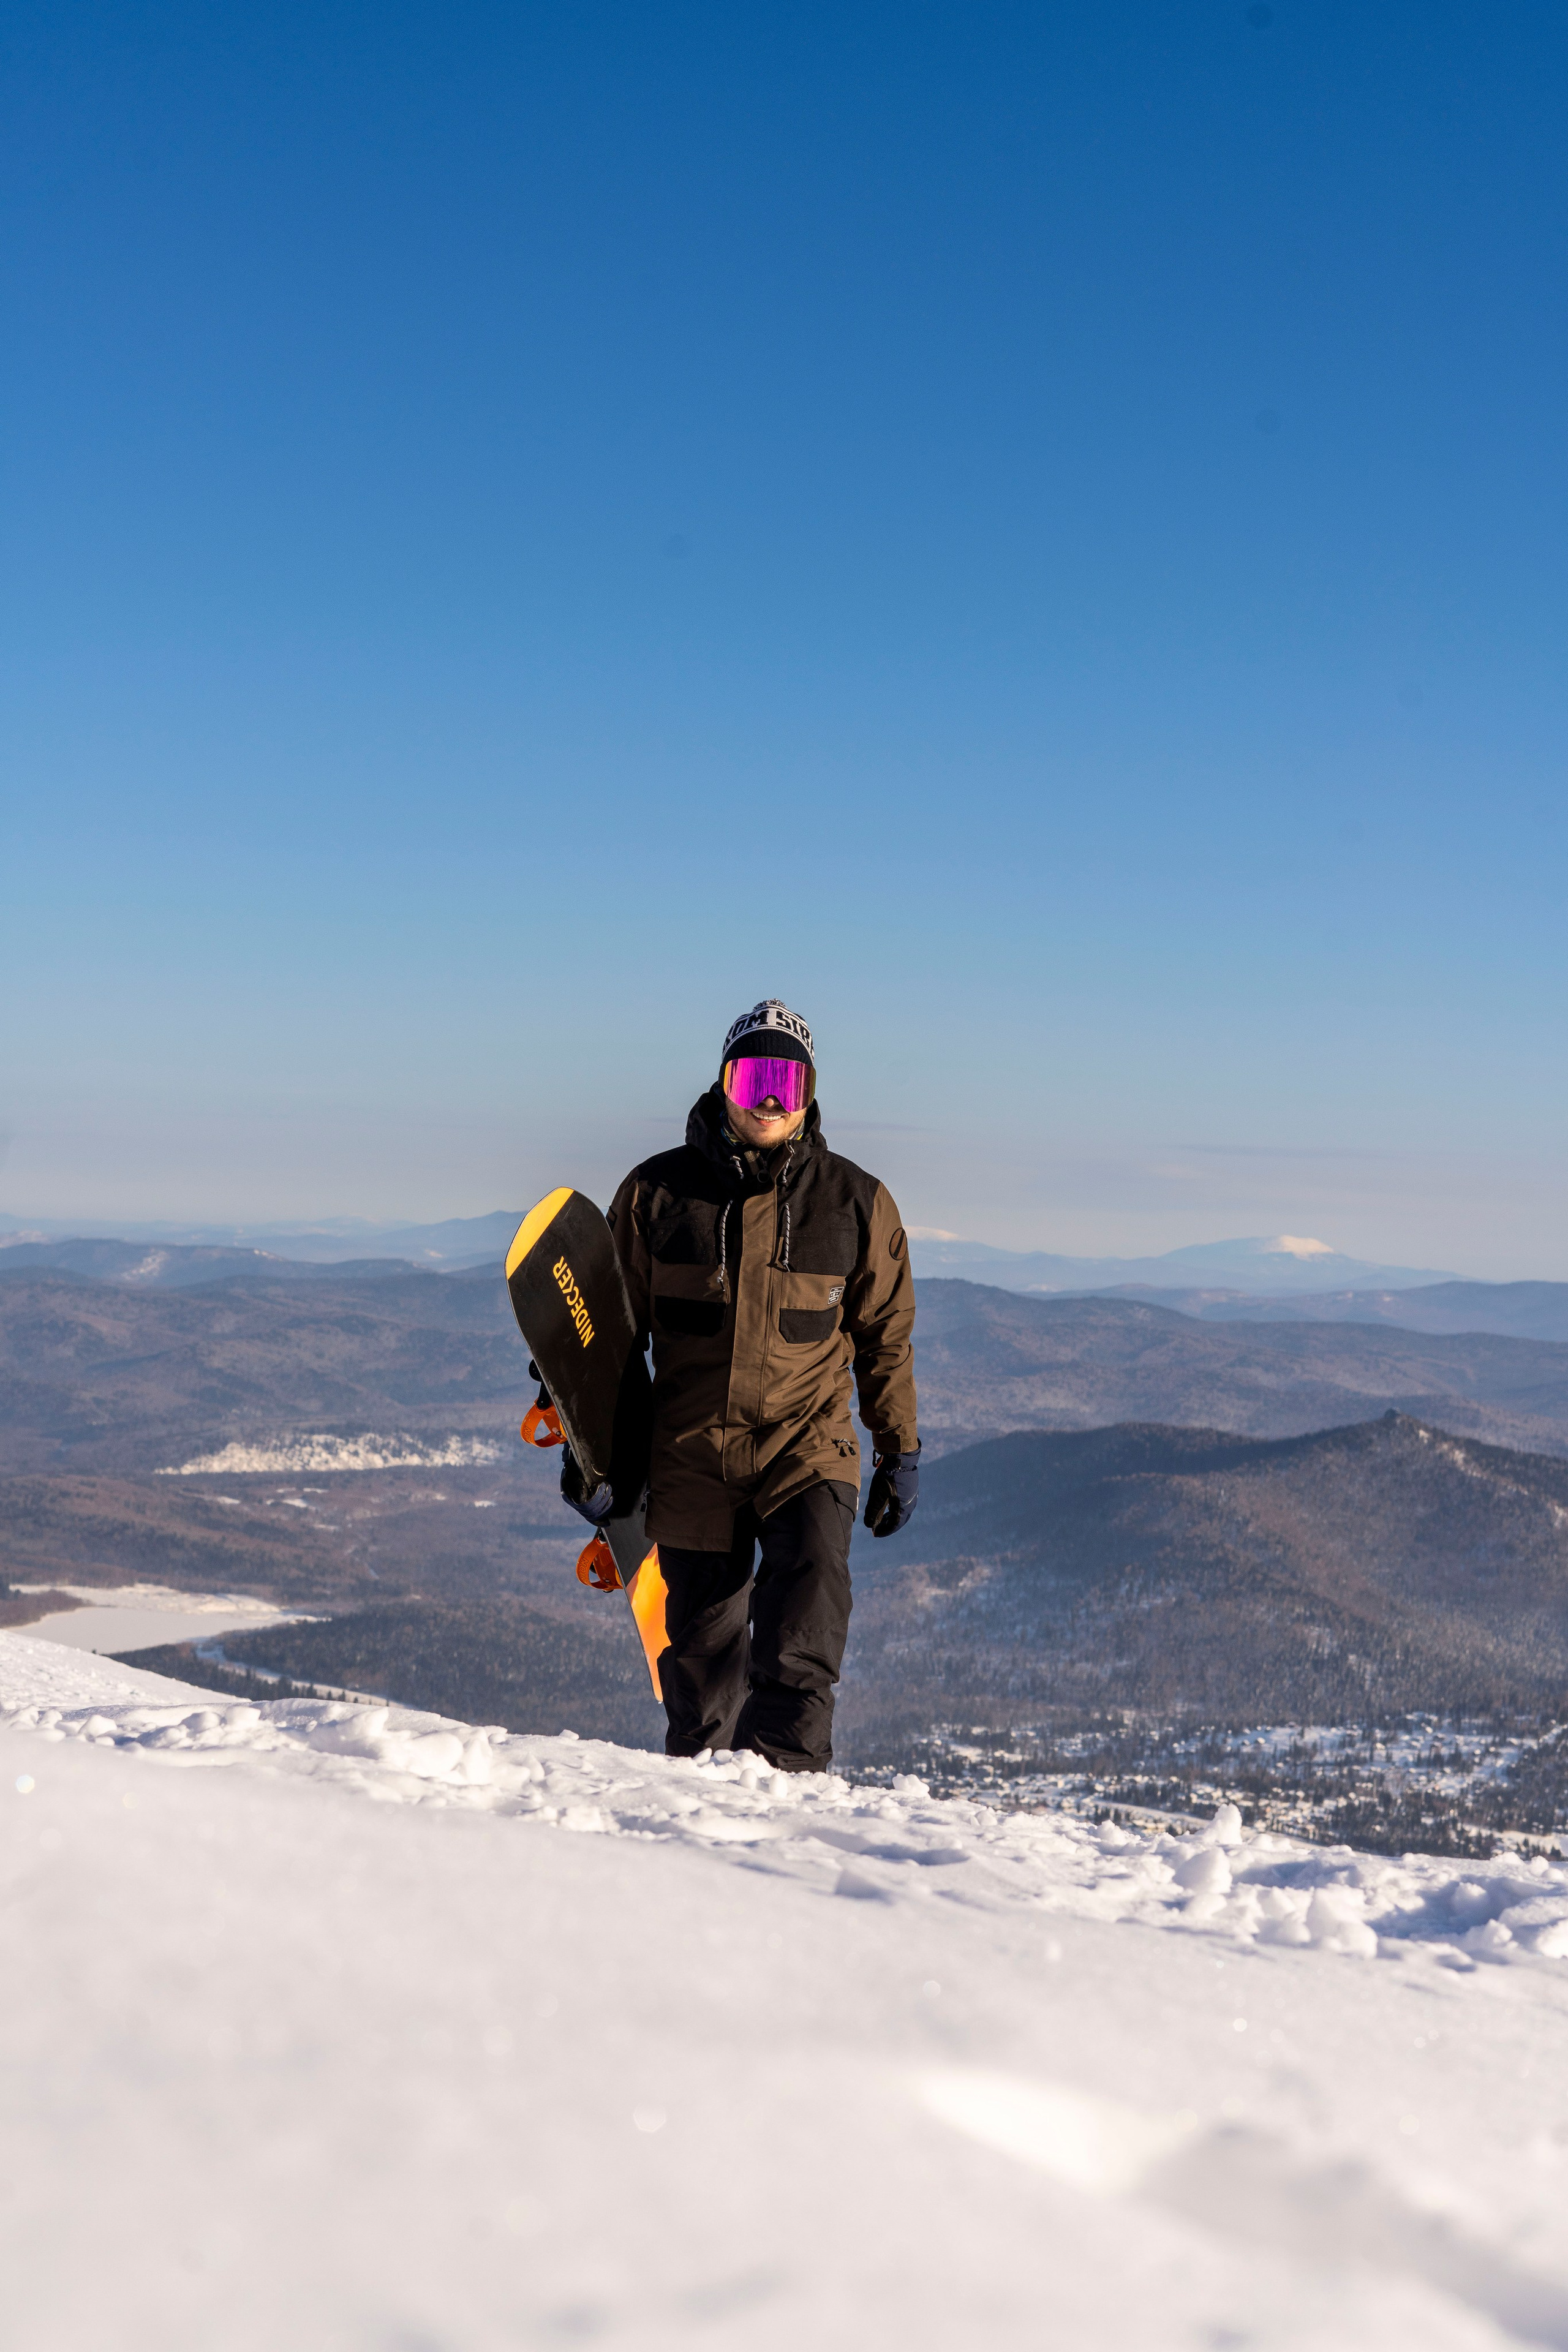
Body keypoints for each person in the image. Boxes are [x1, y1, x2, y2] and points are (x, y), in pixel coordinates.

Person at [576, 999, 920, 1773]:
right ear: (724, 1082)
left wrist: (899, 1448)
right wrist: (594, 1451)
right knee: (702, 1674)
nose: (769, 1099)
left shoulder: (855, 1203)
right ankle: (710, 1825)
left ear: (808, 1095)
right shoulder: (655, 1195)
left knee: (807, 1604)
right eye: (754, 1076)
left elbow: (884, 1338)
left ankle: (791, 1794)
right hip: (692, 1453)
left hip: (808, 1443)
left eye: (786, 1082)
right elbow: (607, 1339)